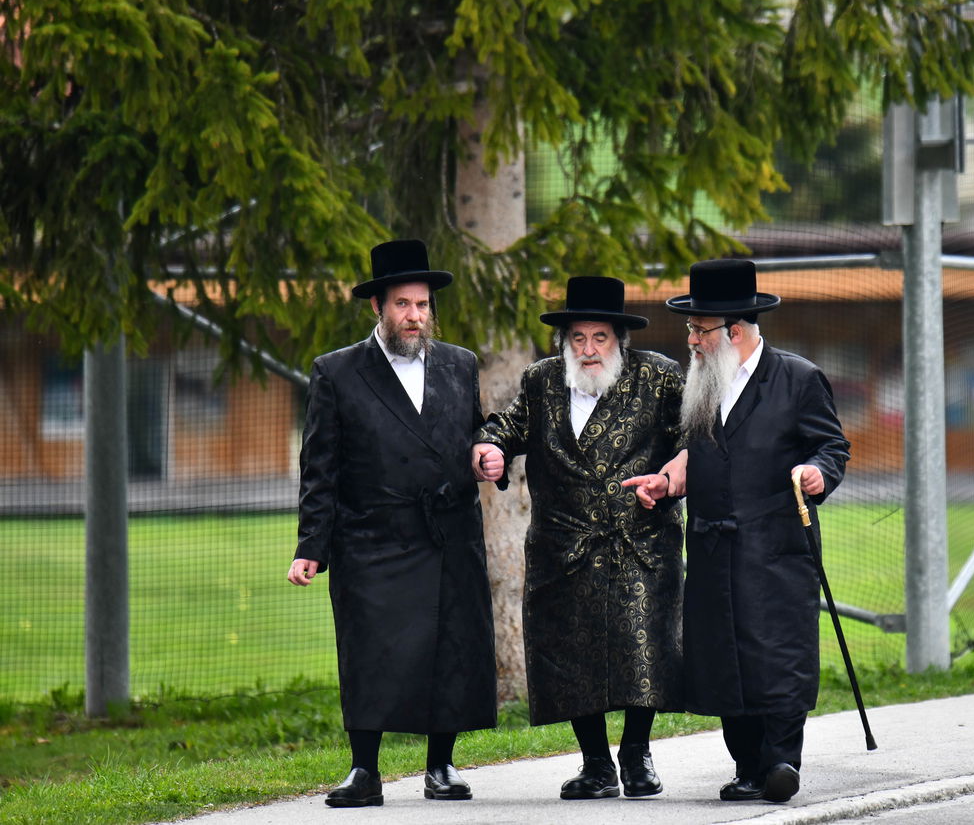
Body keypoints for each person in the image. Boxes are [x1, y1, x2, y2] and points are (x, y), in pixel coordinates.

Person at [625, 258, 850, 804]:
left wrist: (818, 472)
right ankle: (747, 765)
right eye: (691, 330)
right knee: (723, 658)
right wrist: (669, 479)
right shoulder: (703, 383)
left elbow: (832, 446)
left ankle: (780, 760)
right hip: (711, 546)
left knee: (777, 653)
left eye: (700, 331)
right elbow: (698, 453)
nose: (692, 341)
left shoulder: (796, 378)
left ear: (736, 332)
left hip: (775, 547)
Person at [287, 239, 496, 808]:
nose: (414, 316)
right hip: (371, 537)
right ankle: (364, 770)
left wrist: (487, 450)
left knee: (450, 647)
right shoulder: (337, 372)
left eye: (423, 304)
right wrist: (312, 545)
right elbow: (319, 469)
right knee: (370, 650)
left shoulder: (459, 362)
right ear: (376, 307)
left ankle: (441, 766)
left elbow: (475, 432)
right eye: (402, 304)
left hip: (448, 531)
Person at [471, 275, 687, 800]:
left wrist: (670, 477)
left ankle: (637, 753)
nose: (589, 350)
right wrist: (490, 449)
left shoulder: (659, 377)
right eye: (578, 339)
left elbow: (692, 438)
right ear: (564, 342)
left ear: (620, 340)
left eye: (600, 338)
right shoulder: (542, 380)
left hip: (640, 541)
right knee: (567, 653)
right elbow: (506, 426)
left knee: (646, 649)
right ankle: (595, 763)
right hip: (563, 545)